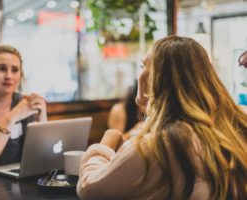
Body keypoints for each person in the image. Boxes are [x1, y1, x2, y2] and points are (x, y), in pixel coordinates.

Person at [77, 35, 247, 199]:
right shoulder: (236, 122)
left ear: (153, 78)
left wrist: (107, 140)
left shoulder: (164, 143)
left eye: (143, 66)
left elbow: (90, 188)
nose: (140, 73)